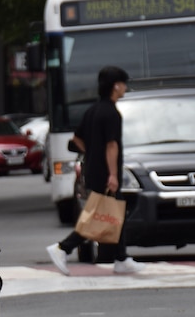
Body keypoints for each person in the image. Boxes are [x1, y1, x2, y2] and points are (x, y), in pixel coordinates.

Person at [46, 66, 143, 275]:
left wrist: (92, 152)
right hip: (105, 174)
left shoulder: (93, 110)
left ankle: (121, 259)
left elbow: (77, 139)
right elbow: (112, 145)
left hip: (93, 171)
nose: (125, 87)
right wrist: (113, 174)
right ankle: (63, 247)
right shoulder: (111, 113)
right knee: (100, 216)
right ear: (116, 86)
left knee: (114, 215)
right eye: (124, 83)